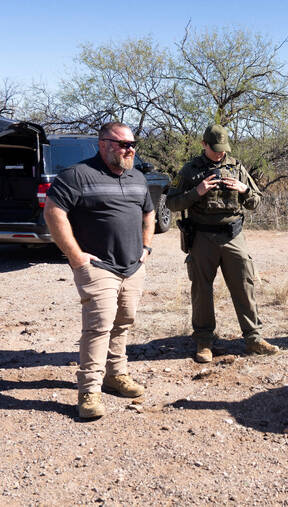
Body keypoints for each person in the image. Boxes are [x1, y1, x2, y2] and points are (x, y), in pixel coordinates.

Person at [44, 121, 153, 419]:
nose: (130, 150)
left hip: (133, 266)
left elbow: (149, 212)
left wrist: (146, 247)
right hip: (97, 266)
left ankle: (115, 375)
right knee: (99, 325)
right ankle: (89, 391)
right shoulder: (77, 175)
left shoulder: (137, 177)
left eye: (133, 145)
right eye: (123, 144)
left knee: (123, 321)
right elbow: (53, 211)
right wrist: (75, 255)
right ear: (103, 144)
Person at [166, 124, 278, 363]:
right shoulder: (190, 170)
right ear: (204, 145)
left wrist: (244, 189)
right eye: (215, 148)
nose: (220, 153)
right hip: (202, 237)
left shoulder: (236, 167)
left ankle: (253, 338)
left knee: (244, 285)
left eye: (223, 148)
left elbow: (256, 202)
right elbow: (172, 203)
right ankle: (204, 341)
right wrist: (196, 192)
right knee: (202, 290)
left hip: (233, 236)